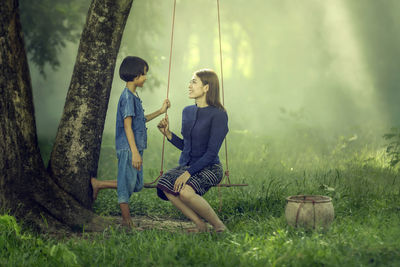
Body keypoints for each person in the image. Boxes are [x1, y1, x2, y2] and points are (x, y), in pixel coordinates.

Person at [91, 56, 170, 228]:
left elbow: (139, 121)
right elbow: (127, 127)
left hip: (136, 147)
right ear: (135, 76)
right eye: (144, 74)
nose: (146, 77)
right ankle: (127, 221)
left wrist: (160, 111)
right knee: (127, 186)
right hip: (128, 149)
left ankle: (99, 184)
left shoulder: (134, 96)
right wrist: (134, 152)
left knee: (137, 184)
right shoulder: (127, 98)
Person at [156, 69, 228, 233]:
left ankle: (220, 226)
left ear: (206, 88)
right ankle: (200, 225)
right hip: (188, 165)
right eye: (190, 81)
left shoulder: (219, 115)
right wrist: (168, 134)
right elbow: (187, 146)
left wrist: (188, 173)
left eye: (194, 82)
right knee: (165, 185)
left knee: (185, 193)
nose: (189, 85)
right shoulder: (187, 111)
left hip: (210, 166)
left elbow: (211, 153)